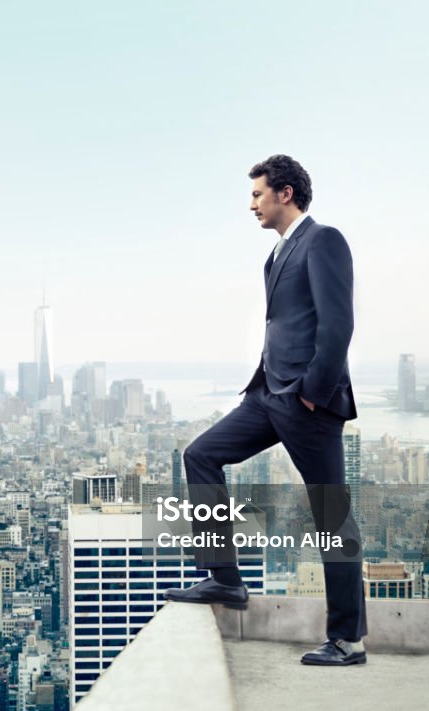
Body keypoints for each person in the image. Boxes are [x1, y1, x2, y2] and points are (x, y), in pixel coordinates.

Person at [164, 154, 368, 666]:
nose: (251, 203)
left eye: (258, 194)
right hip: (268, 395)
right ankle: (226, 580)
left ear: (286, 194)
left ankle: (349, 640)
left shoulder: (323, 240)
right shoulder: (276, 255)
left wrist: (311, 393)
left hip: (306, 402)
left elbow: (337, 325)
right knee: (201, 456)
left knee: (331, 515)